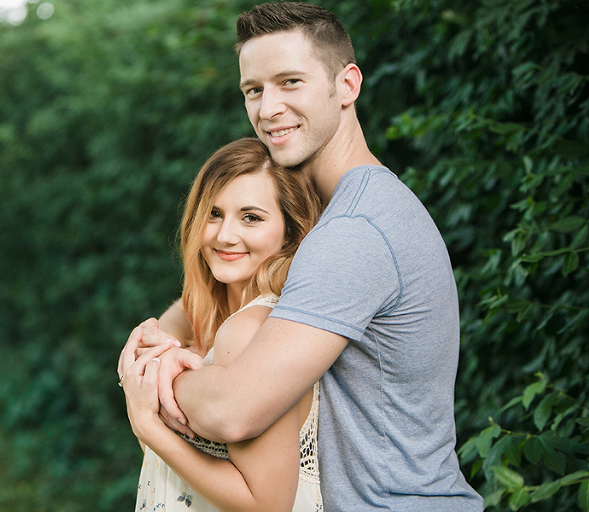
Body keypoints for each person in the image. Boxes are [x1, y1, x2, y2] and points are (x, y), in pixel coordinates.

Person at [123, 3, 484, 511]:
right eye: (254, 89)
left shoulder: (354, 234)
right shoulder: (334, 219)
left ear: (347, 86)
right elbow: (207, 305)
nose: (268, 108)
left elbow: (234, 411)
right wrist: (158, 345)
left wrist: (155, 383)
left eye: (290, 82)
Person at [120, 137, 323, 511]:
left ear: (290, 231)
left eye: (251, 217)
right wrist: (157, 345)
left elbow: (268, 503)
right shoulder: (205, 318)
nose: (225, 235)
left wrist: (147, 424)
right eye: (214, 213)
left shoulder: (253, 330)